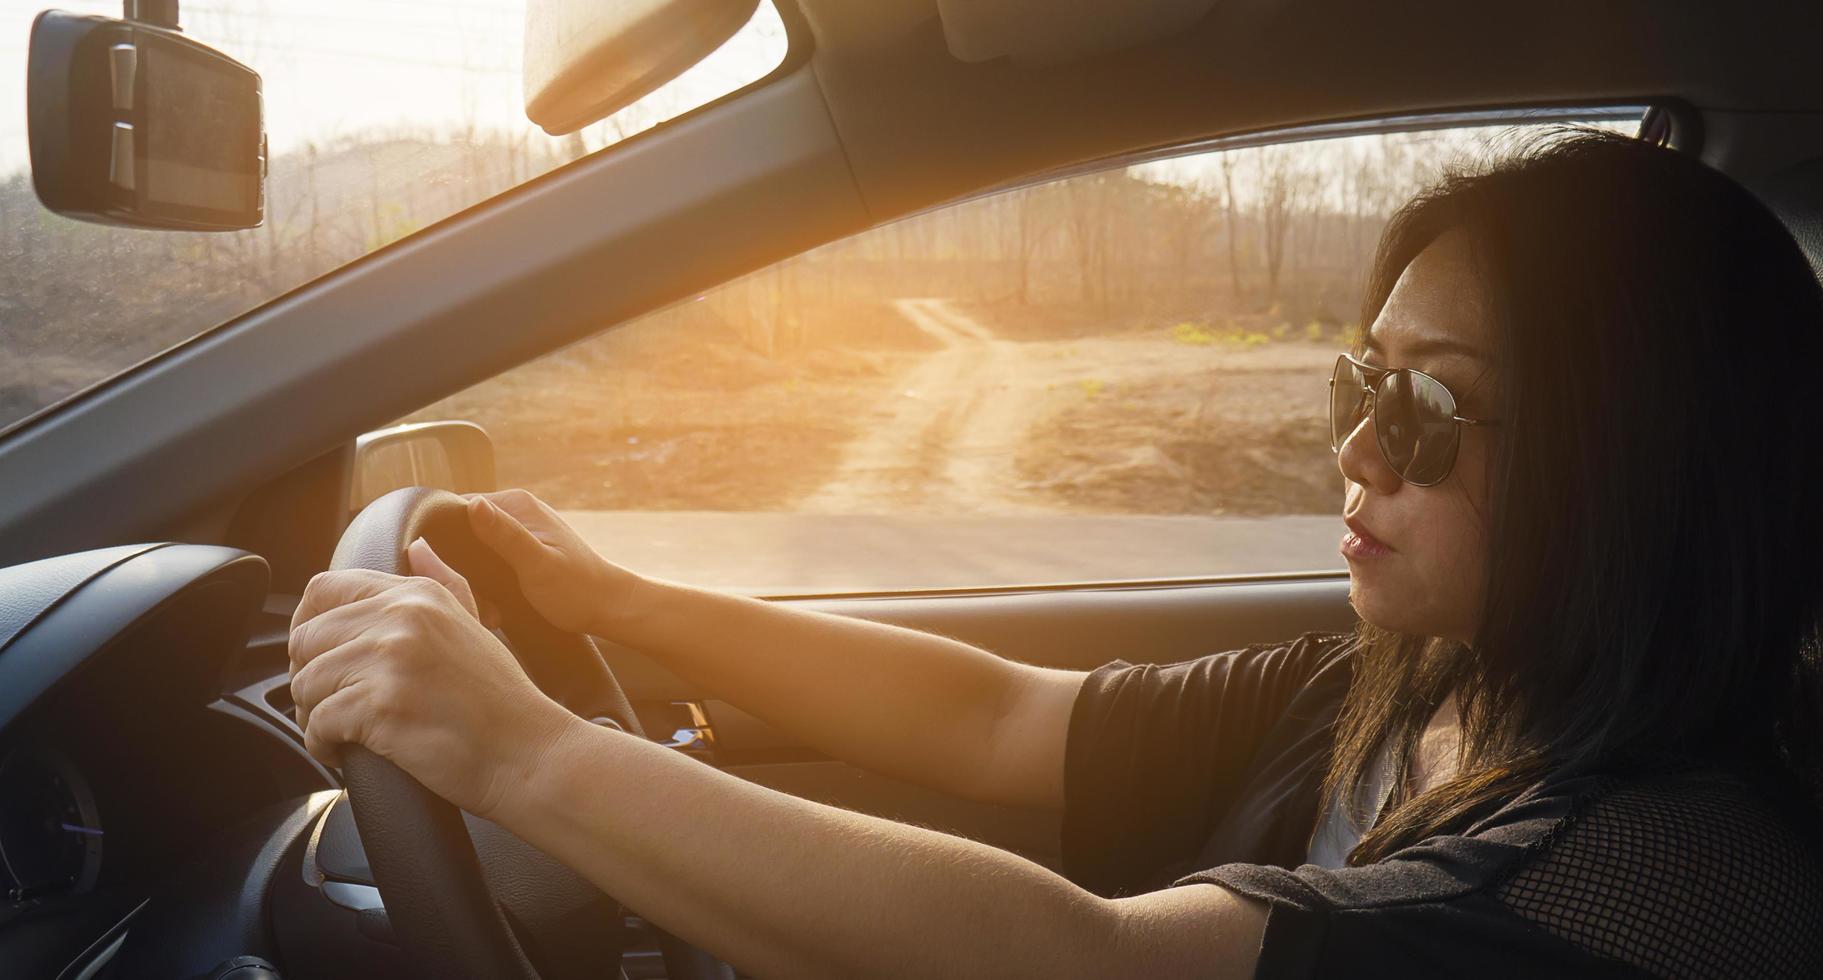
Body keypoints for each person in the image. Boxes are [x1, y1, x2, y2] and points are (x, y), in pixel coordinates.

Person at [287, 130, 1823, 978]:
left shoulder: (1639, 893)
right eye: (1361, 382)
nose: (1356, 446)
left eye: (1429, 408)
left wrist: (528, 756)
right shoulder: (1417, 684)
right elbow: (1001, 718)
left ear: (1639, 470)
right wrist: (617, 603)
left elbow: (1083, 965)